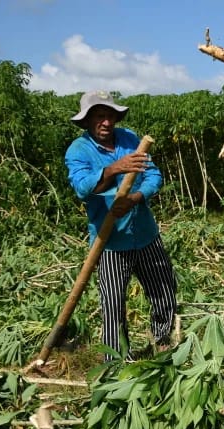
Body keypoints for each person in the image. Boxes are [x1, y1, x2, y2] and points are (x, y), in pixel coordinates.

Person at [65, 91, 177, 361]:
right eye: (99, 117)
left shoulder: (130, 139)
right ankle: (116, 361)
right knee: (113, 303)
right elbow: (83, 189)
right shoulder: (79, 150)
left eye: (109, 116)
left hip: (145, 234)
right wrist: (115, 169)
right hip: (110, 242)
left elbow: (153, 175)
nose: (105, 122)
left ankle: (163, 342)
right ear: (88, 121)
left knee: (164, 289)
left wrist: (136, 198)